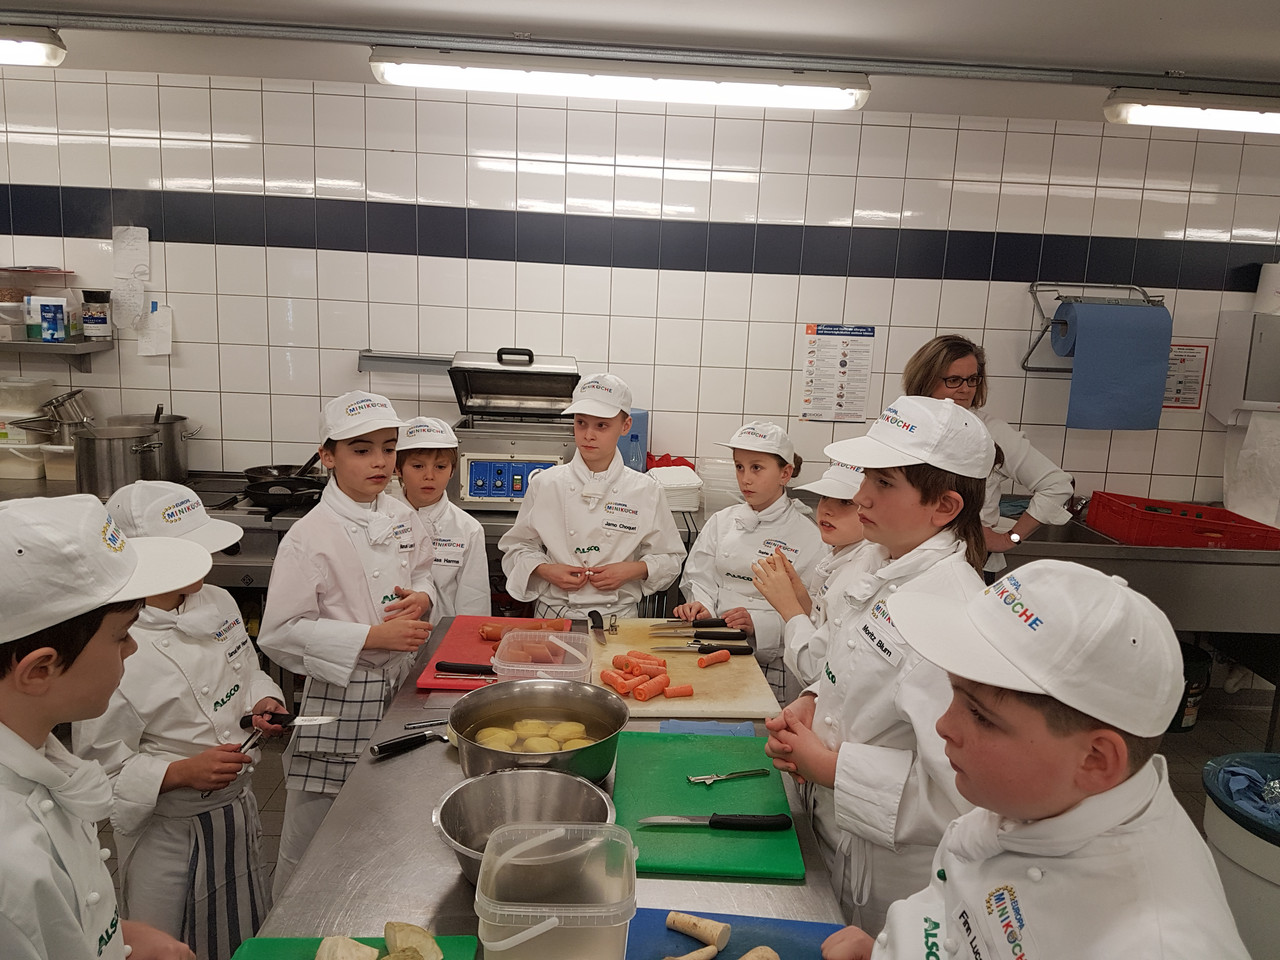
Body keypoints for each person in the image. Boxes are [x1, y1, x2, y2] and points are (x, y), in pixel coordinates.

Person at [820, 559, 1251, 960]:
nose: (943, 726)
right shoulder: (1036, 796)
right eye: (954, 694)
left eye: (980, 716)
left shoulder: (1153, 944)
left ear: (1096, 760)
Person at [764, 396, 995, 932]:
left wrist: (830, 768)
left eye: (884, 482)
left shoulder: (955, 617)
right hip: (830, 829)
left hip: (890, 879)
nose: (861, 494)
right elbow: (844, 659)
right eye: (867, 475)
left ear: (944, 507)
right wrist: (813, 700)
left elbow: (963, 796)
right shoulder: (879, 558)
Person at [73, 481, 288, 960]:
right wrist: (178, 772)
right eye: (191, 552)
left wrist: (262, 700)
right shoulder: (113, 645)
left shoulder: (218, 601)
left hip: (236, 813)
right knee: (171, 945)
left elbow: (246, 669)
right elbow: (96, 772)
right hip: (167, 834)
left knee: (241, 931)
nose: (206, 561)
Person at [0, 494, 212, 960]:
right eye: (122, 634)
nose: (132, 648)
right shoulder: (10, 864)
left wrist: (120, 939)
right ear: (39, 670)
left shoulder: (35, 754)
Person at [257, 391, 437, 898]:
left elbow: (423, 573)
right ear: (328, 456)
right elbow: (279, 633)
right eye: (361, 450)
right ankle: (293, 925)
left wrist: (422, 598)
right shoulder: (309, 536)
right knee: (314, 834)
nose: (379, 462)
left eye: (388, 448)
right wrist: (372, 637)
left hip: (400, 685)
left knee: (388, 816)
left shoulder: (402, 515)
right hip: (341, 692)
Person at [499, 372, 685, 619]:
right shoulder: (546, 483)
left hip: (618, 619)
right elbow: (517, 547)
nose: (588, 435)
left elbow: (670, 558)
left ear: (625, 426)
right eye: (581, 423)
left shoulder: (646, 490)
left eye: (601, 425)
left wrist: (633, 570)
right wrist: (544, 569)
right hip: (553, 616)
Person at [674, 420, 826, 701]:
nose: (745, 479)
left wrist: (757, 623)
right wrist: (702, 607)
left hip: (774, 664)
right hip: (713, 646)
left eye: (756, 468)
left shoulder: (810, 537)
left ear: (785, 473)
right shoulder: (721, 521)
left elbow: (813, 616)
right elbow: (699, 578)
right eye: (739, 467)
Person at [903, 334, 1073, 576]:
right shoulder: (904, 424)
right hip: (907, 558)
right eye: (953, 380)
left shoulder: (992, 433)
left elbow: (1057, 484)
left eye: (972, 379)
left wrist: (1010, 538)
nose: (965, 389)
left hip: (968, 564)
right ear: (925, 380)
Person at [750, 457, 865, 687]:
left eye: (845, 502)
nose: (827, 509)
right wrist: (800, 595)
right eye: (825, 497)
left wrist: (788, 607)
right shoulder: (840, 555)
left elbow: (815, 669)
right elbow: (820, 624)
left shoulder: (862, 574)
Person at [390, 417, 492, 619]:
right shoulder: (381, 520)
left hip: (443, 632)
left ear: (452, 470)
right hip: (389, 629)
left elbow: (474, 600)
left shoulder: (468, 529)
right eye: (418, 466)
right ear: (398, 469)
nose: (429, 476)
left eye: (440, 467)